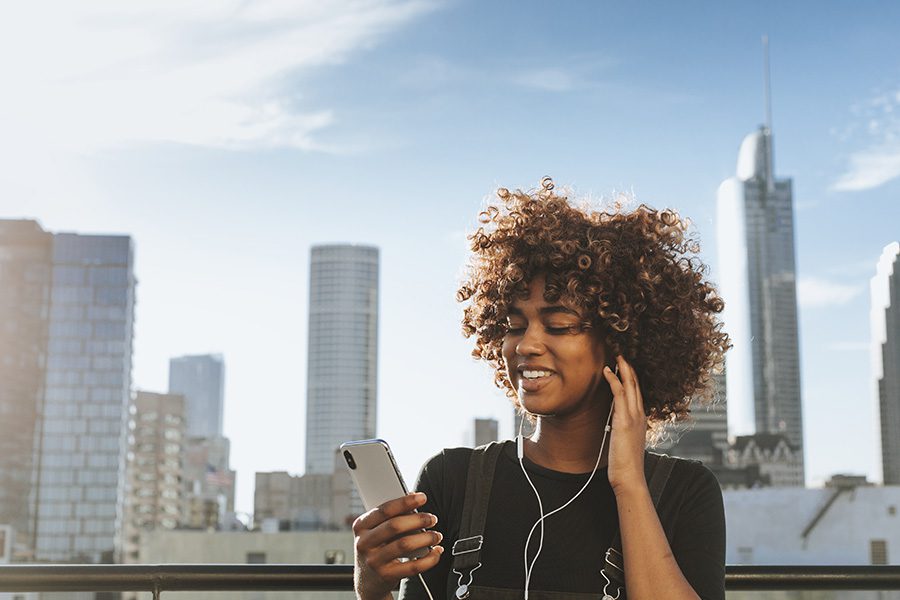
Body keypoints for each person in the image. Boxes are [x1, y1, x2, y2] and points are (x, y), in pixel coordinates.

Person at [353, 178, 730, 600]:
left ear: (620, 345)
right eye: (514, 326)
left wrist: (628, 483)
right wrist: (373, 587)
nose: (526, 345)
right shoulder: (453, 479)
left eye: (560, 326)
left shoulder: (683, 491)